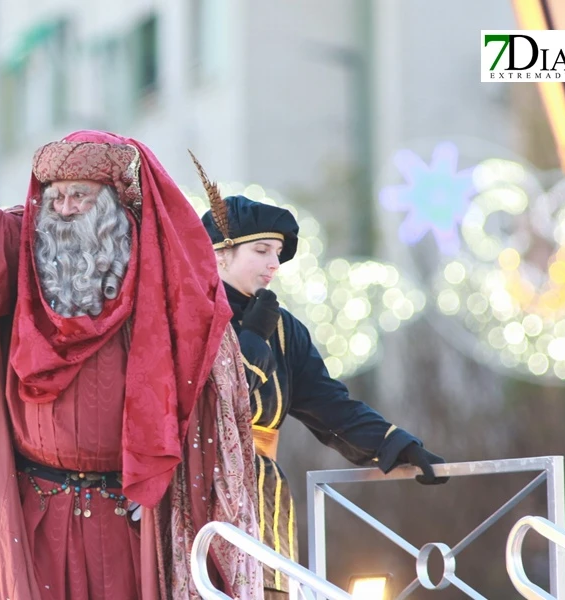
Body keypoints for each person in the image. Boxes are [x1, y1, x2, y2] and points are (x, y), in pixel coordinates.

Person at [0, 79, 265, 599]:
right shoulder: (20, 252)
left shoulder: (162, 277)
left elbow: (199, 383)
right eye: (54, 195)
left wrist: (160, 476)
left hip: (127, 523)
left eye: (78, 196)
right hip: (34, 518)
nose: (60, 209)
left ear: (114, 203)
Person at [191, 155, 448, 599]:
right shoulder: (185, 316)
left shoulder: (284, 329)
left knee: (268, 590)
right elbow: (209, 399)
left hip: (260, 490)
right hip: (193, 483)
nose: (274, 265)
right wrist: (250, 338)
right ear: (219, 253)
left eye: (277, 254)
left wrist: (394, 443)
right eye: (261, 251)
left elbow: (329, 406)